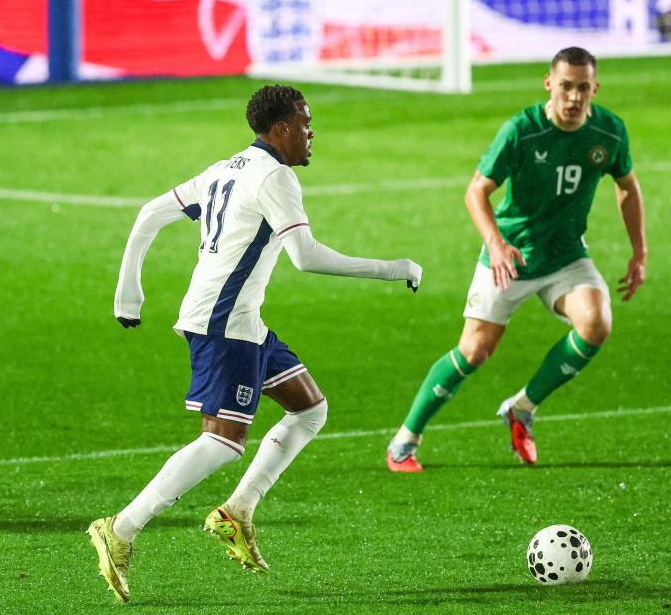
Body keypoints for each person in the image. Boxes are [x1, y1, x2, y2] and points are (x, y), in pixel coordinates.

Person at [88, 84, 422, 602]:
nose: (312, 135)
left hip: (244, 322)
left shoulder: (226, 168)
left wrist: (127, 295)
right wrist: (393, 268)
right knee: (221, 443)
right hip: (224, 323)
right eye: (306, 125)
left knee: (310, 409)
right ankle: (120, 529)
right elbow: (305, 257)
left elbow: (149, 213)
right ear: (283, 129)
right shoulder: (275, 177)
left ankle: (237, 510)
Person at [386, 47, 647, 472]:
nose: (574, 97)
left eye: (583, 88)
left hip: (565, 256)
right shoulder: (521, 131)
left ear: (595, 89)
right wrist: (495, 242)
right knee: (474, 351)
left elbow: (627, 186)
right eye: (565, 86)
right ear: (549, 84)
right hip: (510, 256)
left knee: (597, 322)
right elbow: (476, 191)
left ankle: (522, 408)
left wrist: (640, 251)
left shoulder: (610, 132)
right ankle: (405, 440)